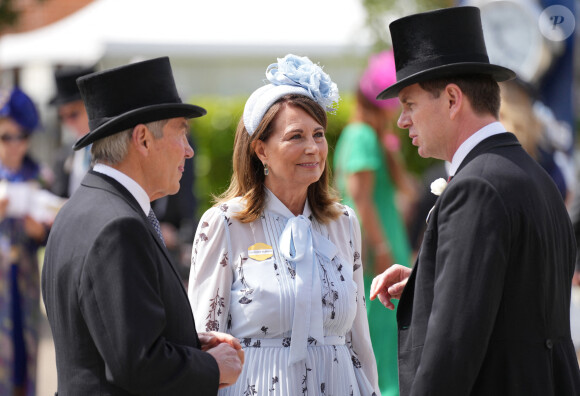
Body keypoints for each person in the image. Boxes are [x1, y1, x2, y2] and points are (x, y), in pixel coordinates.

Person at [369, 7, 580, 396]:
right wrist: (425, 279)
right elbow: (514, 297)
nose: (402, 120)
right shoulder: (533, 175)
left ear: (452, 99)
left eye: (409, 104)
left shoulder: (476, 187)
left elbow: (452, 349)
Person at [41, 57, 244, 395]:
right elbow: (138, 365)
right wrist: (212, 365)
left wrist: (190, 344)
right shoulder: (118, 227)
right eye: (181, 133)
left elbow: (111, 340)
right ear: (143, 140)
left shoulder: (83, 208)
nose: (189, 151)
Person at [188, 54, 380, 395]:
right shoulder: (223, 224)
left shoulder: (344, 223)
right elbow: (203, 339)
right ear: (261, 149)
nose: (313, 148)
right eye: (296, 137)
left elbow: (359, 338)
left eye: (318, 135)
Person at [333, 50, 414, 396]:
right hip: (374, 251)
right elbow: (360, 199)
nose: (400, 107)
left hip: (380, 246)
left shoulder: (369, 135)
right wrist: (381, 248)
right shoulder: (363, 136)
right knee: (382, 335)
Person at [0, 87, 50, 396]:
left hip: (26, 283)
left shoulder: (41, 176)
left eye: (22, 137)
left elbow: (53, 233)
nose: (15, 145)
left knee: (24, 355)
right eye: (6, 137)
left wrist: (41, 232)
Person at [48, 65, 94, 198]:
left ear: (91, 107)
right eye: (61, 117)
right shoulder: (65, 154)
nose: (68, 122)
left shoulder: (117, 149)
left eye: (73, 114)